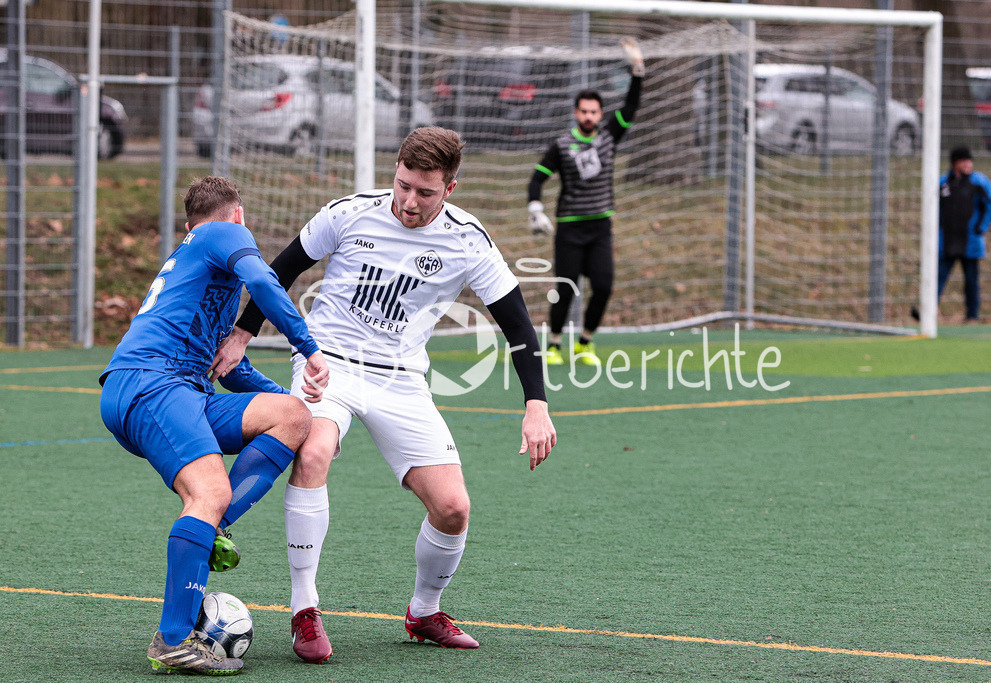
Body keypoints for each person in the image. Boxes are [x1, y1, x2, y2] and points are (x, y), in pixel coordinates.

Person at [213, 126, 556, 661]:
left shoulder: (468, 239)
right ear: (393, 172)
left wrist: (536, 403)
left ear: (451, 189)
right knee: (315, 450)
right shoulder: (349, 213)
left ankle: (424, 611)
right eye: (402, 185)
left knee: (452, 508)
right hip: (328, 365)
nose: (409, 201)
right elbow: (277, 271)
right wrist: (241, 332)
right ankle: (305, 609)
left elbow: (517, 325)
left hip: (401, 380)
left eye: (425, 192)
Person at [99, 176, 329, 675]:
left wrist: (292, 396)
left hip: (173, 389)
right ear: (239, 216)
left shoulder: (197, 270)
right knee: (209, 492)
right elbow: (268, 283)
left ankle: (214, 528)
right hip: (153, 384)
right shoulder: (222, 233)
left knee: (293, 416)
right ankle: (174, 640)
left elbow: (229, 367)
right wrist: (308, 349)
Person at [527, 37, 645, 366]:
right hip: (569, 228)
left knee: (604, 286)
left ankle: (585, 342)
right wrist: (535, 209)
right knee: (566, 289)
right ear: (576, 113)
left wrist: (637, 69)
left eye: (594, 111)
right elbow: (537, 178)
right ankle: (552, 345)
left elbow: (632, 106)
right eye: (584, 111)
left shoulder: (610, 136)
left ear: (600, 113)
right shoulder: (562, 145)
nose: (589, 116)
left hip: (600, 226)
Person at [937, 145, 991, 322]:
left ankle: (972, 316)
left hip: (970, 241)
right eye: (964, 161)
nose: (968, 164)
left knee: (971, 281)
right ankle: (928, 312)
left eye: (970, 161)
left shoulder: (979, 182)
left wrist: (981, 226)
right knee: (938, 278)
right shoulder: (942, 183)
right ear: (955, 163)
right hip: (947, 241)